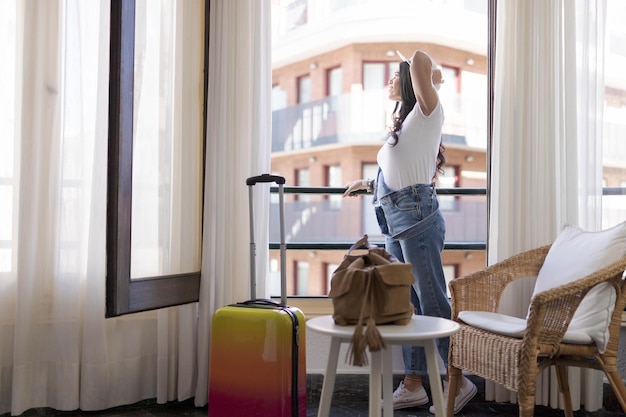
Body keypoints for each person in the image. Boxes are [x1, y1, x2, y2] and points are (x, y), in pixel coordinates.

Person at [343, 50, 477, 415]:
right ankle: (415, 384)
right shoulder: (407, 125)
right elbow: (403, 173)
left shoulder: (428, 111)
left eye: (393, 75)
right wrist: (369, 183)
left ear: (409, 80)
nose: (388, 81)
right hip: (395, 218)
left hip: (417, 220)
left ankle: (458, 381)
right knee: (411, 305)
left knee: (432, 301)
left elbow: (418, 58)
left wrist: (430, 73)